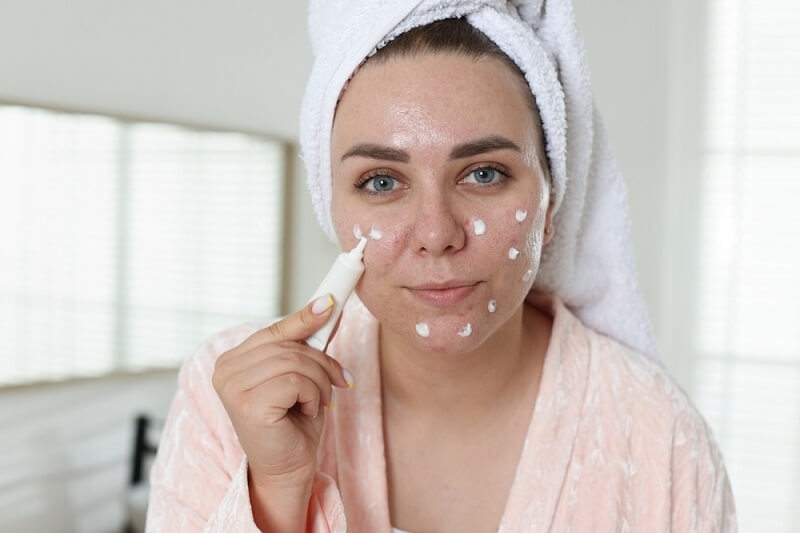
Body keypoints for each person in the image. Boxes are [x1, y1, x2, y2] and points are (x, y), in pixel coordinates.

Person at [146, 1, 736, 532]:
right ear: (332, 210)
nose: (436, 234)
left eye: (484, 173)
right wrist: (277, 492)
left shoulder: (662, 439)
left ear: (551, 203)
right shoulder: (230, 404)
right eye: (382, 182)